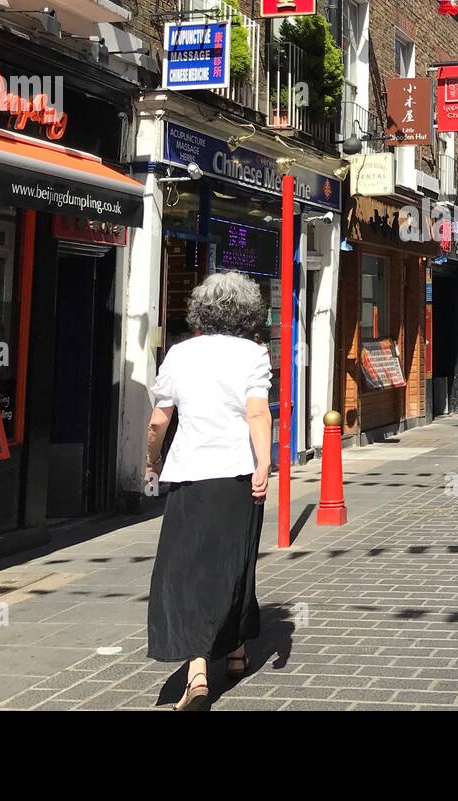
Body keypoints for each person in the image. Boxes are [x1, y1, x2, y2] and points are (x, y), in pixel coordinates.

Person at [146, 272, 273, 711]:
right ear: (247, 312)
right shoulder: (253, 354)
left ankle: (198, 669)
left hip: (189, 475)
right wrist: (264, 462)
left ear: (201, 310)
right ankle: (235, 653)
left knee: (187, 570)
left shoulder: (180, 354)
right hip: (238, 475)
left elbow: (159, 420)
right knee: (235, 564)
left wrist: (151, 458)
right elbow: (258, 415)